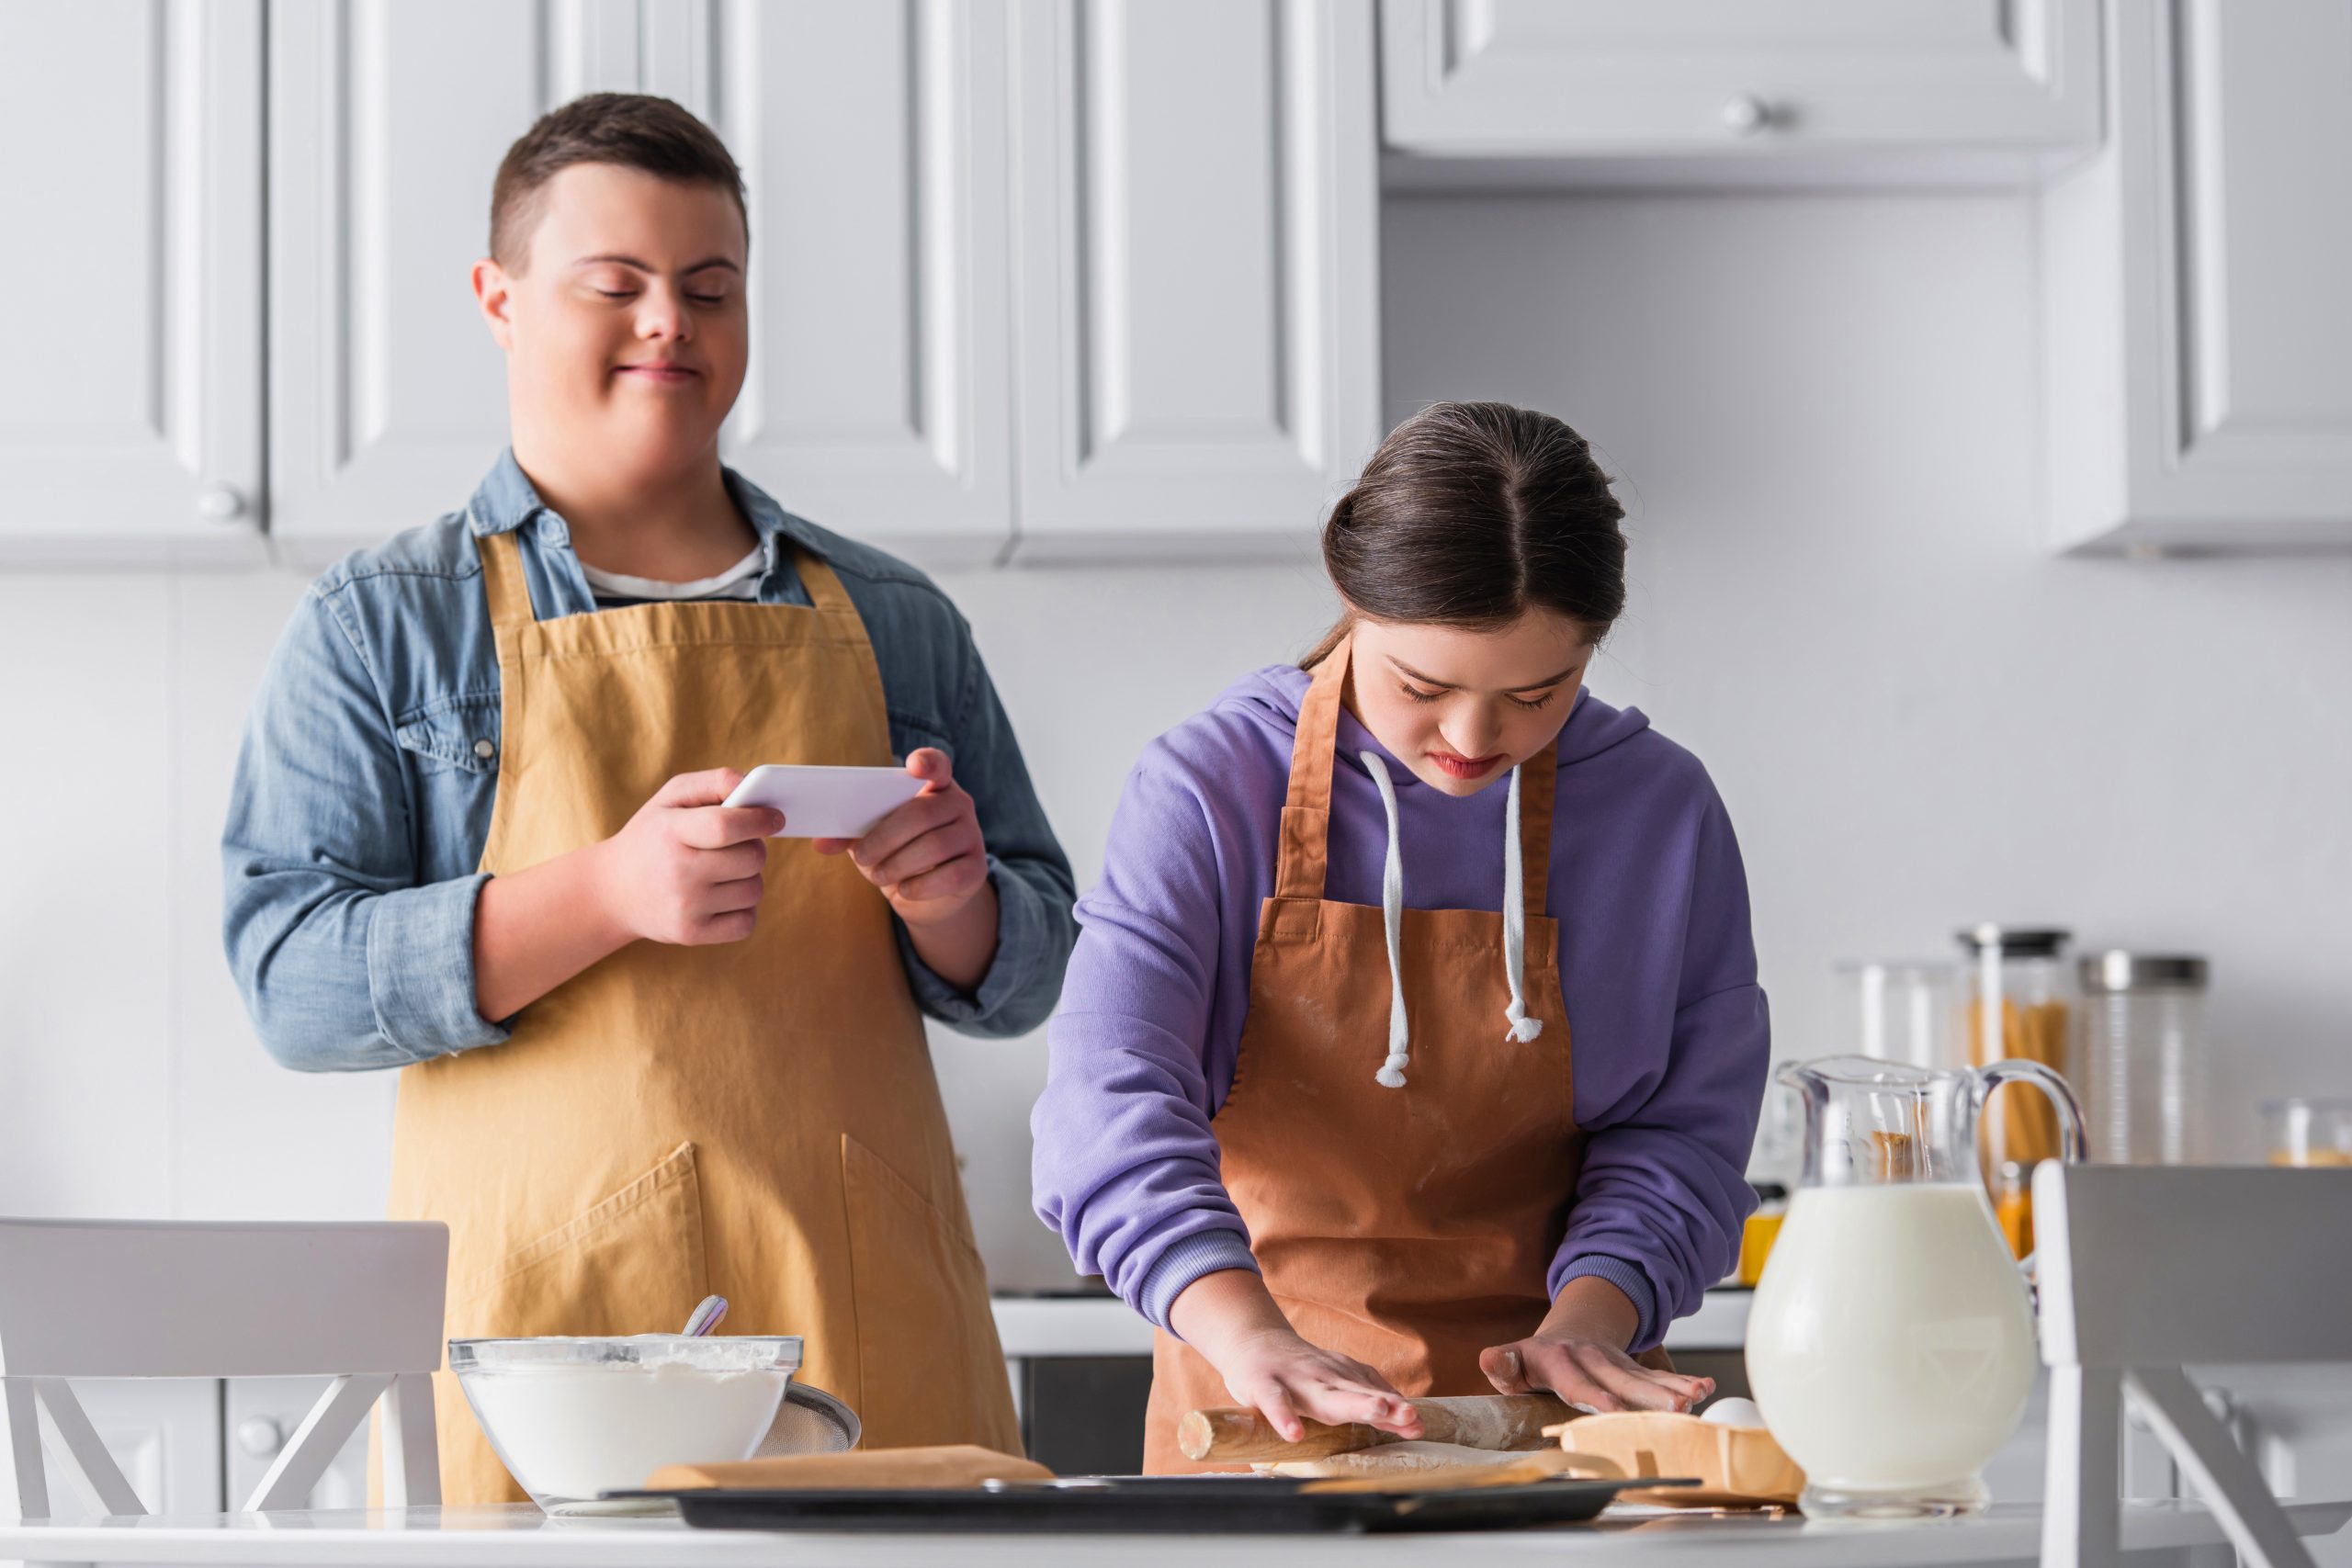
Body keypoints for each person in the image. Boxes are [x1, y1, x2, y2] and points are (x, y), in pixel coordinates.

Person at [223, 94, 1074, 1500]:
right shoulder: (387, 623)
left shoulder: (899, 618)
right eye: (614, 283)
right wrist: (606, 892)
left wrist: (957, 903)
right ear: (499, 299)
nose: (668, 319)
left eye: (710, 286)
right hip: (541, 1351)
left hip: (863, 1338)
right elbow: (288, 978)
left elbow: (1032, 960)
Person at [1032, 401, 1770, 1471]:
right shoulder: (1207, 788)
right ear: (1352, 602)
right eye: (1422, 687)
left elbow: (1682, 1135)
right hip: (1266, 1424)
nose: (1475, 741)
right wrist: (1247, 1335)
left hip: (1562, 1449)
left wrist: (1594, 1320)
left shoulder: (1661, 811)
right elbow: (1107, 1100)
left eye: (1538, 692)